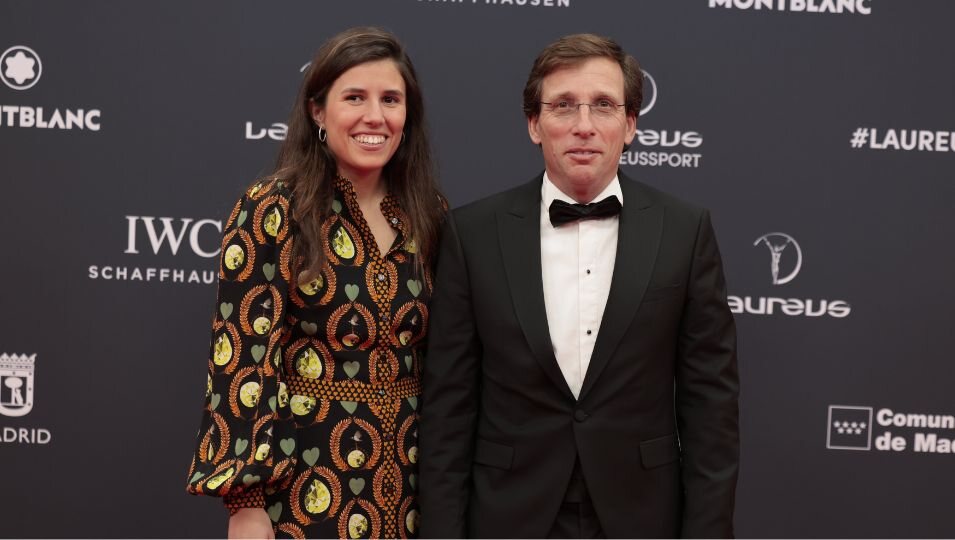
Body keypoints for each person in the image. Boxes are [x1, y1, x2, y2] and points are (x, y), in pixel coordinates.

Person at [419, 33, 739, 538]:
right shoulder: (472, 233)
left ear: (630, 125)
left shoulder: (684, 231)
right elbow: (448, 411)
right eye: (564, 106)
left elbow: (710, 412)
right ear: (533, 124)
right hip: (507, 516)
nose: (584, 126)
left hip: (642, 517)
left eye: (604, 106)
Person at [185, 27, 445, 539]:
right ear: (318, 112)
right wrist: (248, 503)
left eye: (390, 100)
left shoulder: (428, 215)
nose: (376, 116)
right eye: (355, 98)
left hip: (411, 485)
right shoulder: (272, 209)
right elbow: (241, 358)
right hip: (303, 485)